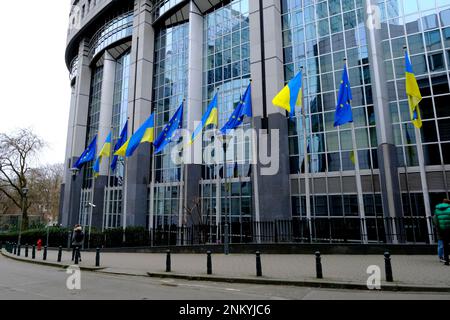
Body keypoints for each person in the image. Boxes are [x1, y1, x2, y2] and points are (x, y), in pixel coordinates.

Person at [434, 199, 450, 266]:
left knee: (444, 245)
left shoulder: (437, 210)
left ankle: (446, 260)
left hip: (441, 230)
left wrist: (439, 227)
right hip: (449, 229)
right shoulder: (449, 209)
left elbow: (435, 220)